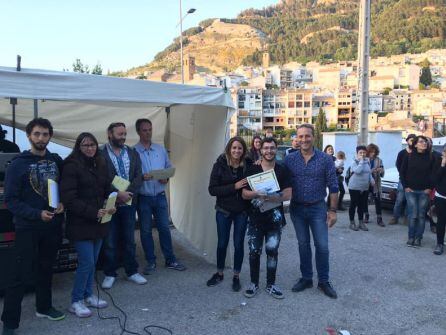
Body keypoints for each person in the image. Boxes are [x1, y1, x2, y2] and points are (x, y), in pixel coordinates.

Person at [1, 118, 65, 335]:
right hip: (27, 228)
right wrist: (36, 214)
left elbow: (63, 186)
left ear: (50, 136)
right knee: (18, 275)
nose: (41, 138)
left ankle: (44, 307)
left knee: (46, 268)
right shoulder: (18, 164)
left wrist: (62, 202)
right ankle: (9, 323)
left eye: (45, 134)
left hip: (52, 226)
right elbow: (10, 200)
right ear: (29, 135)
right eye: (37, 134)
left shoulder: (56, 161)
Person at [60, 133, 115, 318]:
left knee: (92, 263)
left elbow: (107, 188)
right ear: (78, 147)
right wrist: (93, 212)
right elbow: (69, 199)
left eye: (92, 144)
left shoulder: (100, 163)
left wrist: (112, 204)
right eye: (85, 145)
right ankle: (75, 301)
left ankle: (88, 295)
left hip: (99, 222)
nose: (90, 148)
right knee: (87, 262)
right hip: (80, 223)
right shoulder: (71, 166)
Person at [285, 124, 338, 299]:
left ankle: (323, 280)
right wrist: (258, 163)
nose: (304, 139)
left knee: (322, 246)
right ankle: (306, 278)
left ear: (313, 137)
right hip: (297, 208)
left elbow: (334, 186)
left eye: (307, 136)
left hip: (318, 208)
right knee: (303, 245)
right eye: (300, 136)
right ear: (296, 139)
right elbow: (276, 174)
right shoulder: (290, 159)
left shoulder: (325, 159)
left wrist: (332, 211)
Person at [242, 137, 292, 299]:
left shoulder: (282, 169)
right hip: (255, 219)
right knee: (254, 252)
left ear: (276, 150)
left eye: (272, 148)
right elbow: (244, 194)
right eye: (266, 148)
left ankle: (271, 285)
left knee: (272, 252)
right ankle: (253, 283)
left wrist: (271, 197)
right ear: (261, 150)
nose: (269, 151)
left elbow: (289, 193)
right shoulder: (251, 169)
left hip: (275, 220)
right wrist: (256, 193)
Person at [134, 119, 186, 274]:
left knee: (164, 228)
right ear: (138, 131)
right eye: (144, 130)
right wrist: (142, 177)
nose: (148, 132)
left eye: (150, 129)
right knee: (145, 231)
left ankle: (170, 259)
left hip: (160, 195)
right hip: (143, 197)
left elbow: (169, 168)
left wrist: (167, 177)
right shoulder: (133, 152)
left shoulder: (160, 149)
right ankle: (150, 261)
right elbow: (131, 176)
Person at [101, 122, 147, 289]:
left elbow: (138, 175)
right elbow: (101, 179)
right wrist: (117, 194)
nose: (123, 137)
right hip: (110, 202)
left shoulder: (132, 152)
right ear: (109, 134)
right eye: (120, 134)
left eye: (124, 134)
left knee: (129, 239)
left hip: (129, 201)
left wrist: (128, 193)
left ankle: (132, 271)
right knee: (110, 241)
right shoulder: (100, 153)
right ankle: (110, 273)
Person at [207, 136, 251, 292]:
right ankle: (219, 273)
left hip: (242, 212)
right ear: (229, 149)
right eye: (234, 148)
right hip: (223, 211)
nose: (237, 151)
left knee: (238, 244)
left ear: (243, 150)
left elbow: (260, 177)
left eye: (240, 148)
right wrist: (235, 186)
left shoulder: (249, 165)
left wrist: (260, 164)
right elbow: (212, 190)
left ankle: (236, 275)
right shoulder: (219, 165)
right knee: (222, 243)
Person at [401, 135, 435, 247]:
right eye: (421, 142)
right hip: (410, 191)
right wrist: (405, 186)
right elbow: (402, 172)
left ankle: (418, 238)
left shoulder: (431, 157)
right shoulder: (409, 156)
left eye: (425, 142)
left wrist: (429, 188)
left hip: (424, 192)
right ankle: (411, 237)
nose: (424, 143)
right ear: (415, 144)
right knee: (413, 215)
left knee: (421, 216)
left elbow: (433, 174)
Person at [389, 134, 416, 225]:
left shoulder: (417, 153)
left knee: (410, 201)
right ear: (407, 141)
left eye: (414, 140)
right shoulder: (402, 153)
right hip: (402, 180)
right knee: (399, 200)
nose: (412, 142)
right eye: (410, 140)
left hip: (413, 181)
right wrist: (403, 174)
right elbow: (398, 164)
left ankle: (406, 218)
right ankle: (395, 217)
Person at [347, 146, 373, 231]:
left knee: (362, 205)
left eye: (364, 153)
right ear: (357, 153)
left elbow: (369, 172)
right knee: (353, 205)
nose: (362, 154)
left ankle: (361, 223)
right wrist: (361, 161)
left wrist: (371, 180)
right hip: (354, 187)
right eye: (360, 153)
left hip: (364, 187)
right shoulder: (354, 162)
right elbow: (357, 171)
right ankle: (352, 222)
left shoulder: (367, 161)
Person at [364, 143, 385, 227]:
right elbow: (362, 171)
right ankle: (366, 215)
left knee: (378, 200)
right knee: (364, 200)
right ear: (368, 152)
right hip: (366, 183)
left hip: (376, 183)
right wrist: (370, 171)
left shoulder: (379, 160)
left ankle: (379, 219)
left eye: (374, 152)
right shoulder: (364, 160)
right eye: (371, 152)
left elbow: (382, 171)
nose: (373, 153)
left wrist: (381, 170)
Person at [433, 144, 446, 255]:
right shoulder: (439, 161)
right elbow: (435, 178)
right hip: (441, 195)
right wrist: (442, 164)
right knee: (441, 221)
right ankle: (439, 244)